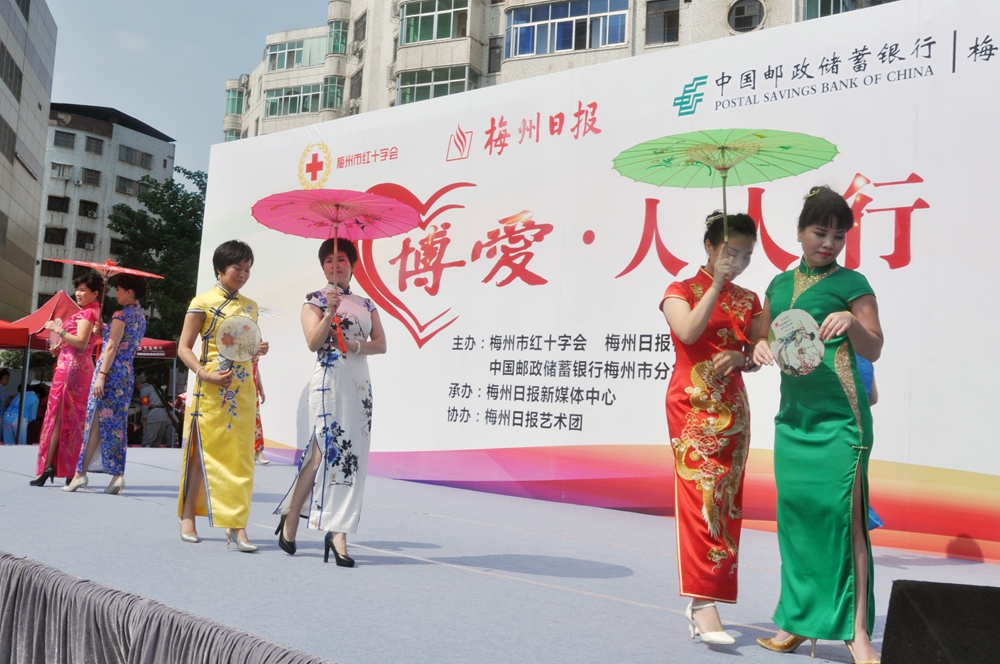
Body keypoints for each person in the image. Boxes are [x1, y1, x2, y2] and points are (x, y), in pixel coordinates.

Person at [753, 186, 884, 664]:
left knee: (846, 525)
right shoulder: (777, 285)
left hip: (841, 423)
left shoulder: (853, 284)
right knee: (796, 522)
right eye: (819, 232)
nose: (828, 243)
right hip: (794, 421)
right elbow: (762, 338)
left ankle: (857, 632)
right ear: (799, 232)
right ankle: (797, 619)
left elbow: (874, 347)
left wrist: (851, 321)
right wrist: (756, 348)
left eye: (838, 235)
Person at [659, 212, 761, 645]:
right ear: (710, 246)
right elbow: (687, 332)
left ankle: (709, 595)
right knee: (701, 498)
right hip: (692, 407)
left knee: (727, 502)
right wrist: (716, 285)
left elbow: (758, 352)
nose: (737, 263)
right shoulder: (680, 290)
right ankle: (703, 603)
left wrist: (744, 358)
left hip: (733, 409)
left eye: (746, 256)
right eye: (730, 253)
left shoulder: (750, 300)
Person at [274, 239, 386, 566]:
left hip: (359, 385)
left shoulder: (366, 303)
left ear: (353, 265)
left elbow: (381, 344)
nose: (335, 265)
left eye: (341, 259)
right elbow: (313, 342)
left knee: (353, 457)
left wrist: (355, 346)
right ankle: (327, 530)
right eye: (328, 260)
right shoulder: (315, 300)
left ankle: (314, 521)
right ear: (322, 266)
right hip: (329, 382)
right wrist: (330, 313)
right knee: (328, 453)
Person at [176, 240, 268, 552]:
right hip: (211, 388)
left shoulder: (250, 306)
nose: (243, 274)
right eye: (237, 268)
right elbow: (184, 347)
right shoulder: (201, 302)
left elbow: (244, 348)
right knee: (200, 455)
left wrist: (258, 349)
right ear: (220, 269)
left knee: (241, 459)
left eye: (247, 269)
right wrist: (204, 374)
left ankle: (237, 524)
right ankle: (188, 515)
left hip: (242, 390)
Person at [64, 274, 148, 494]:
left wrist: (101, 375)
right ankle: (116, 475)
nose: (116, 292)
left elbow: (111, 347)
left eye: (119, 289)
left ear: (129, 292)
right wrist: (105, 329)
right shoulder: (140, 316)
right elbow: (121, 341)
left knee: (94, 421)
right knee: (116, 425)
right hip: (125, 374)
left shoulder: (121, 315)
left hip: (109, 373)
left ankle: (80, 474)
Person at [31, 272, 103, 486]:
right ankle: (59, 467)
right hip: (71, 366)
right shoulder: (91, 312)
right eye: (77, 289)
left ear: (95, 293)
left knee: (62, 418)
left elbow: (81, 342)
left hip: (73, 370)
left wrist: (58, 330)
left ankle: (60, 467)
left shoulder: (88, 313)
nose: (78, 294)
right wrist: (61, 348)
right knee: (65, 418)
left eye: (83, 290)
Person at [137, 374, 170, 447]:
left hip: (154, 415)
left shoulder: (144, 390)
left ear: (139, 384)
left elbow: (145, 405)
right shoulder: (155, 389)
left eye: (137, 386)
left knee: (147, 442)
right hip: (163, 415)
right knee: (156, 443)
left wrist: (144, 419)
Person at [252, 357, 269, 464]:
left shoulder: (255, 348)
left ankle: (258, 451)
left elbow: (255, 367)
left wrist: (260, 388)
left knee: (255, 419)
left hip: (252, 387)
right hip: (238, 387)